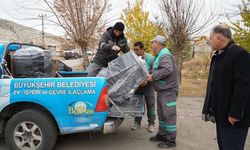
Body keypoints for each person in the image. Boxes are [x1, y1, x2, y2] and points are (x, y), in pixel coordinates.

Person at [202, 24, 250, 150]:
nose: (209, 40)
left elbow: (243, 86)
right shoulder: (220, 55)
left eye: (211, 37)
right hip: (221, 114)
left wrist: (235, 113)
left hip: (233, 118)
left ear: (219, 38)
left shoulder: (240, 54)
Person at [147, 35, 178, 149]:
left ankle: (171, 140)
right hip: (162, 91)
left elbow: (167, 69)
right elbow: (158, 69)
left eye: (153, 42)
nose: (152, 45)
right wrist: (149, 73)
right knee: (162, 115)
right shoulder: (160, 54)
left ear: (158, 43)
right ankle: (162, 135)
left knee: (169, 115)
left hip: (168, 91)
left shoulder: (164, 54)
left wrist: (153, 76)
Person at [131, 41, 156, 132]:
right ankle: (137, 122)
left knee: (150, 104)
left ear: (142, 50)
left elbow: (155, 72)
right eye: (134, 50)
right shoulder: (133, 59)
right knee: (137, 104)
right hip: (138, 85)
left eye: (137, 50)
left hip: (148, 85)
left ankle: (151, 123)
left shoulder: (151, 59)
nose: (135, 52)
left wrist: (147, 79)